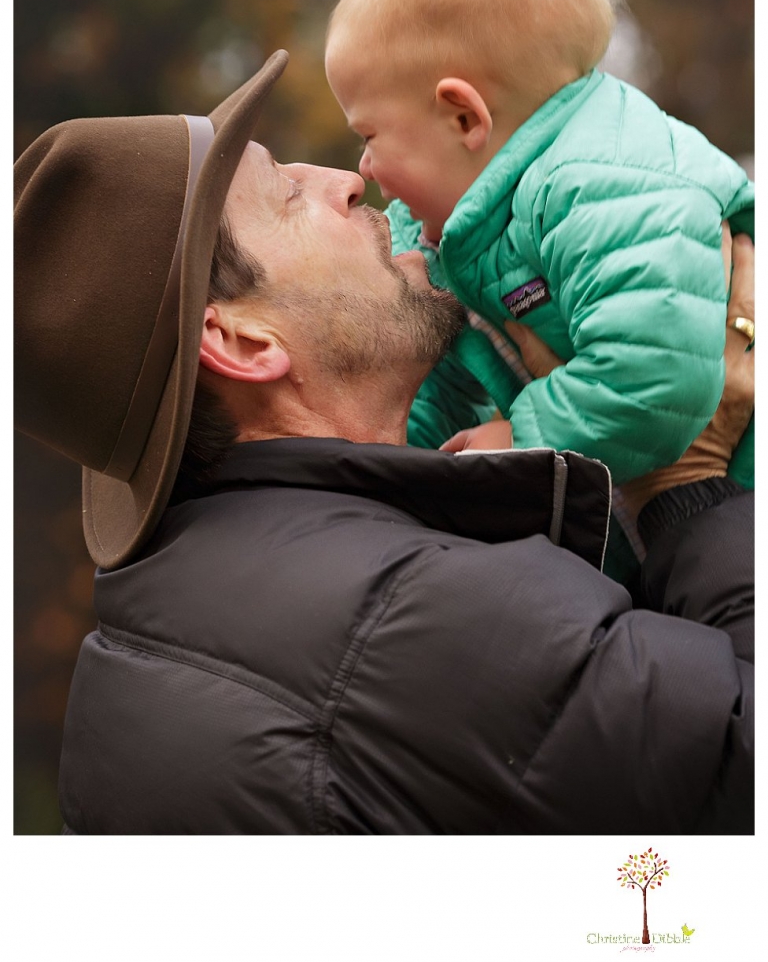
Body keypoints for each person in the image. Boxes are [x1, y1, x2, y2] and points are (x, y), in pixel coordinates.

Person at [14, 53, 754, 834]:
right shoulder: (408, 615)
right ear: (240, 338)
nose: (349, 178)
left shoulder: (162, 627)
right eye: (289, 195)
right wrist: (692, 485)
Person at [324, 0, 755, 529]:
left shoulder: (601, 181)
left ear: (464, 117)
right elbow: (442, 385)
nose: (363, 169)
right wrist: (377, 470)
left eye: (369, 136)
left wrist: (523, 439)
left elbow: (654, 373)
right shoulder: (460, 227)